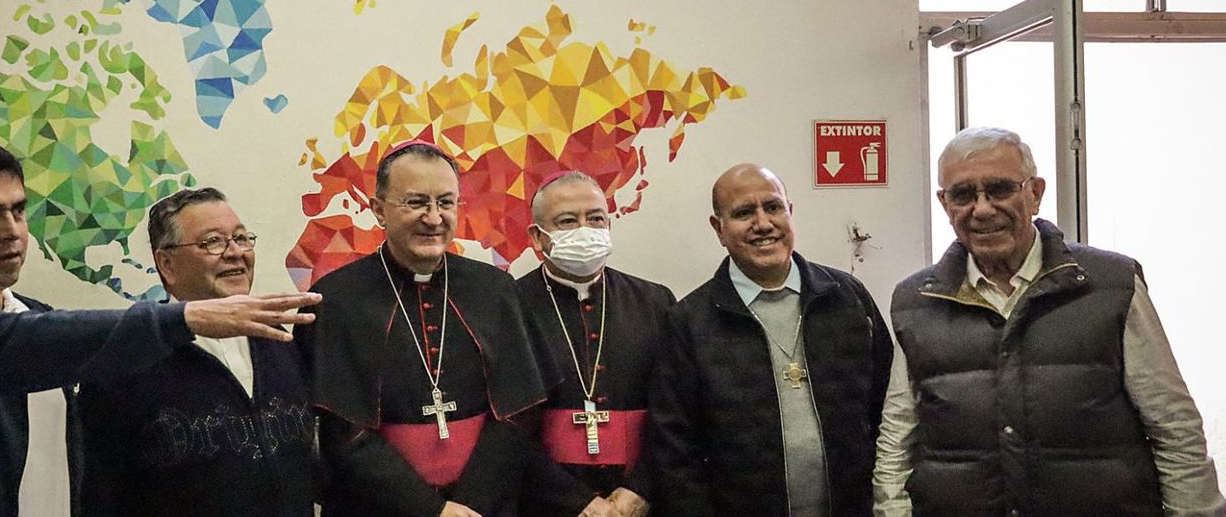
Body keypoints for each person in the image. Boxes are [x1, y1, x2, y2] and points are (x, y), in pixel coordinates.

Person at [0, 137, 320, 517]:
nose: (12, 230)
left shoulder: (28, 314)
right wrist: (188, 318)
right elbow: (13, 345)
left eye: (18, 210)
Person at [874, 127, 1225, 515]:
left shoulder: (1111, 285)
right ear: (945, 204)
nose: (983, 208)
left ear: (1035, 193)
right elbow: (896, 440)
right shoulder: (916, 303)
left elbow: (1174, 427)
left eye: (1000, 189)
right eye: (963, 194)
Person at [297, 140, 611, 517]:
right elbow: (343, 433)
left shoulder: (494, 289)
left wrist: (469, 503)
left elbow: (517, 413)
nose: (433, 217)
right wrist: (431, 510)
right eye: (416, 203)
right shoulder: (336, 298)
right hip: (378, 507)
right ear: (378, 209)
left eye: (445, 202)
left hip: (484, 506)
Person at [647, 163, 892, 516]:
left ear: (790, 212)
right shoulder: (689, 321)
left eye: (773, 207)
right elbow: (674, 449)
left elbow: (888, 408)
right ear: (719, 228)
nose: (763, 224)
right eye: (744, 213)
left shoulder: (846, 297)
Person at [78, 187, 317, 516]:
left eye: (242, 238)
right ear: (167, 263)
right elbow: (98, 494)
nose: (235, 253)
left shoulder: (280, 343)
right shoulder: (124, 365)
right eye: (213, 242)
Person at [515, 171, 675, 517]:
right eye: (568, 221)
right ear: (537, 237)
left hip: (640, 502)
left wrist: (639, 490)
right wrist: (575, 502)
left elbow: (675, 412)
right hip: (544, 503)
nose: (585, 230)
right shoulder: (511, 305)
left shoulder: (655, 302)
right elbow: (506, 428)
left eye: (596, 218)